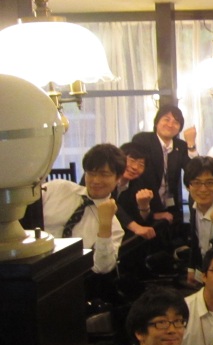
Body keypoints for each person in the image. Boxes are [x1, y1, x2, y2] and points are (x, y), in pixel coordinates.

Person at [42, 143, 125, 274]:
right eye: (91, 173)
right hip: (33, 264)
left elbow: (102, 268)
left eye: (104, 174)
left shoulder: (113, 227)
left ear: (118, 178)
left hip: (67, 277)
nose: (95, 180)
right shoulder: (57, 188)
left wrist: (105, 225)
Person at [132, 105, 198, 224]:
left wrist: (191, 144)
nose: (170, 124)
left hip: (171, 206)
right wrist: (152, 213)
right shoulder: (143, 140)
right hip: (144, 204)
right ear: (157, 122)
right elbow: (136, 175)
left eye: (176, 122)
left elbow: (194, 171)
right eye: (166, 119)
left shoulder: (180, 146)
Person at [114, 141, 162, 240]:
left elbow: (143, 223)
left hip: (122, 236)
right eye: (131, 160)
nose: (135, 167)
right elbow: (111, 204)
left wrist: (144, 206)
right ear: (119, 159)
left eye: (141, 165)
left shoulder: (139, 185)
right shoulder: (104, 178)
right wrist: (135, 227)